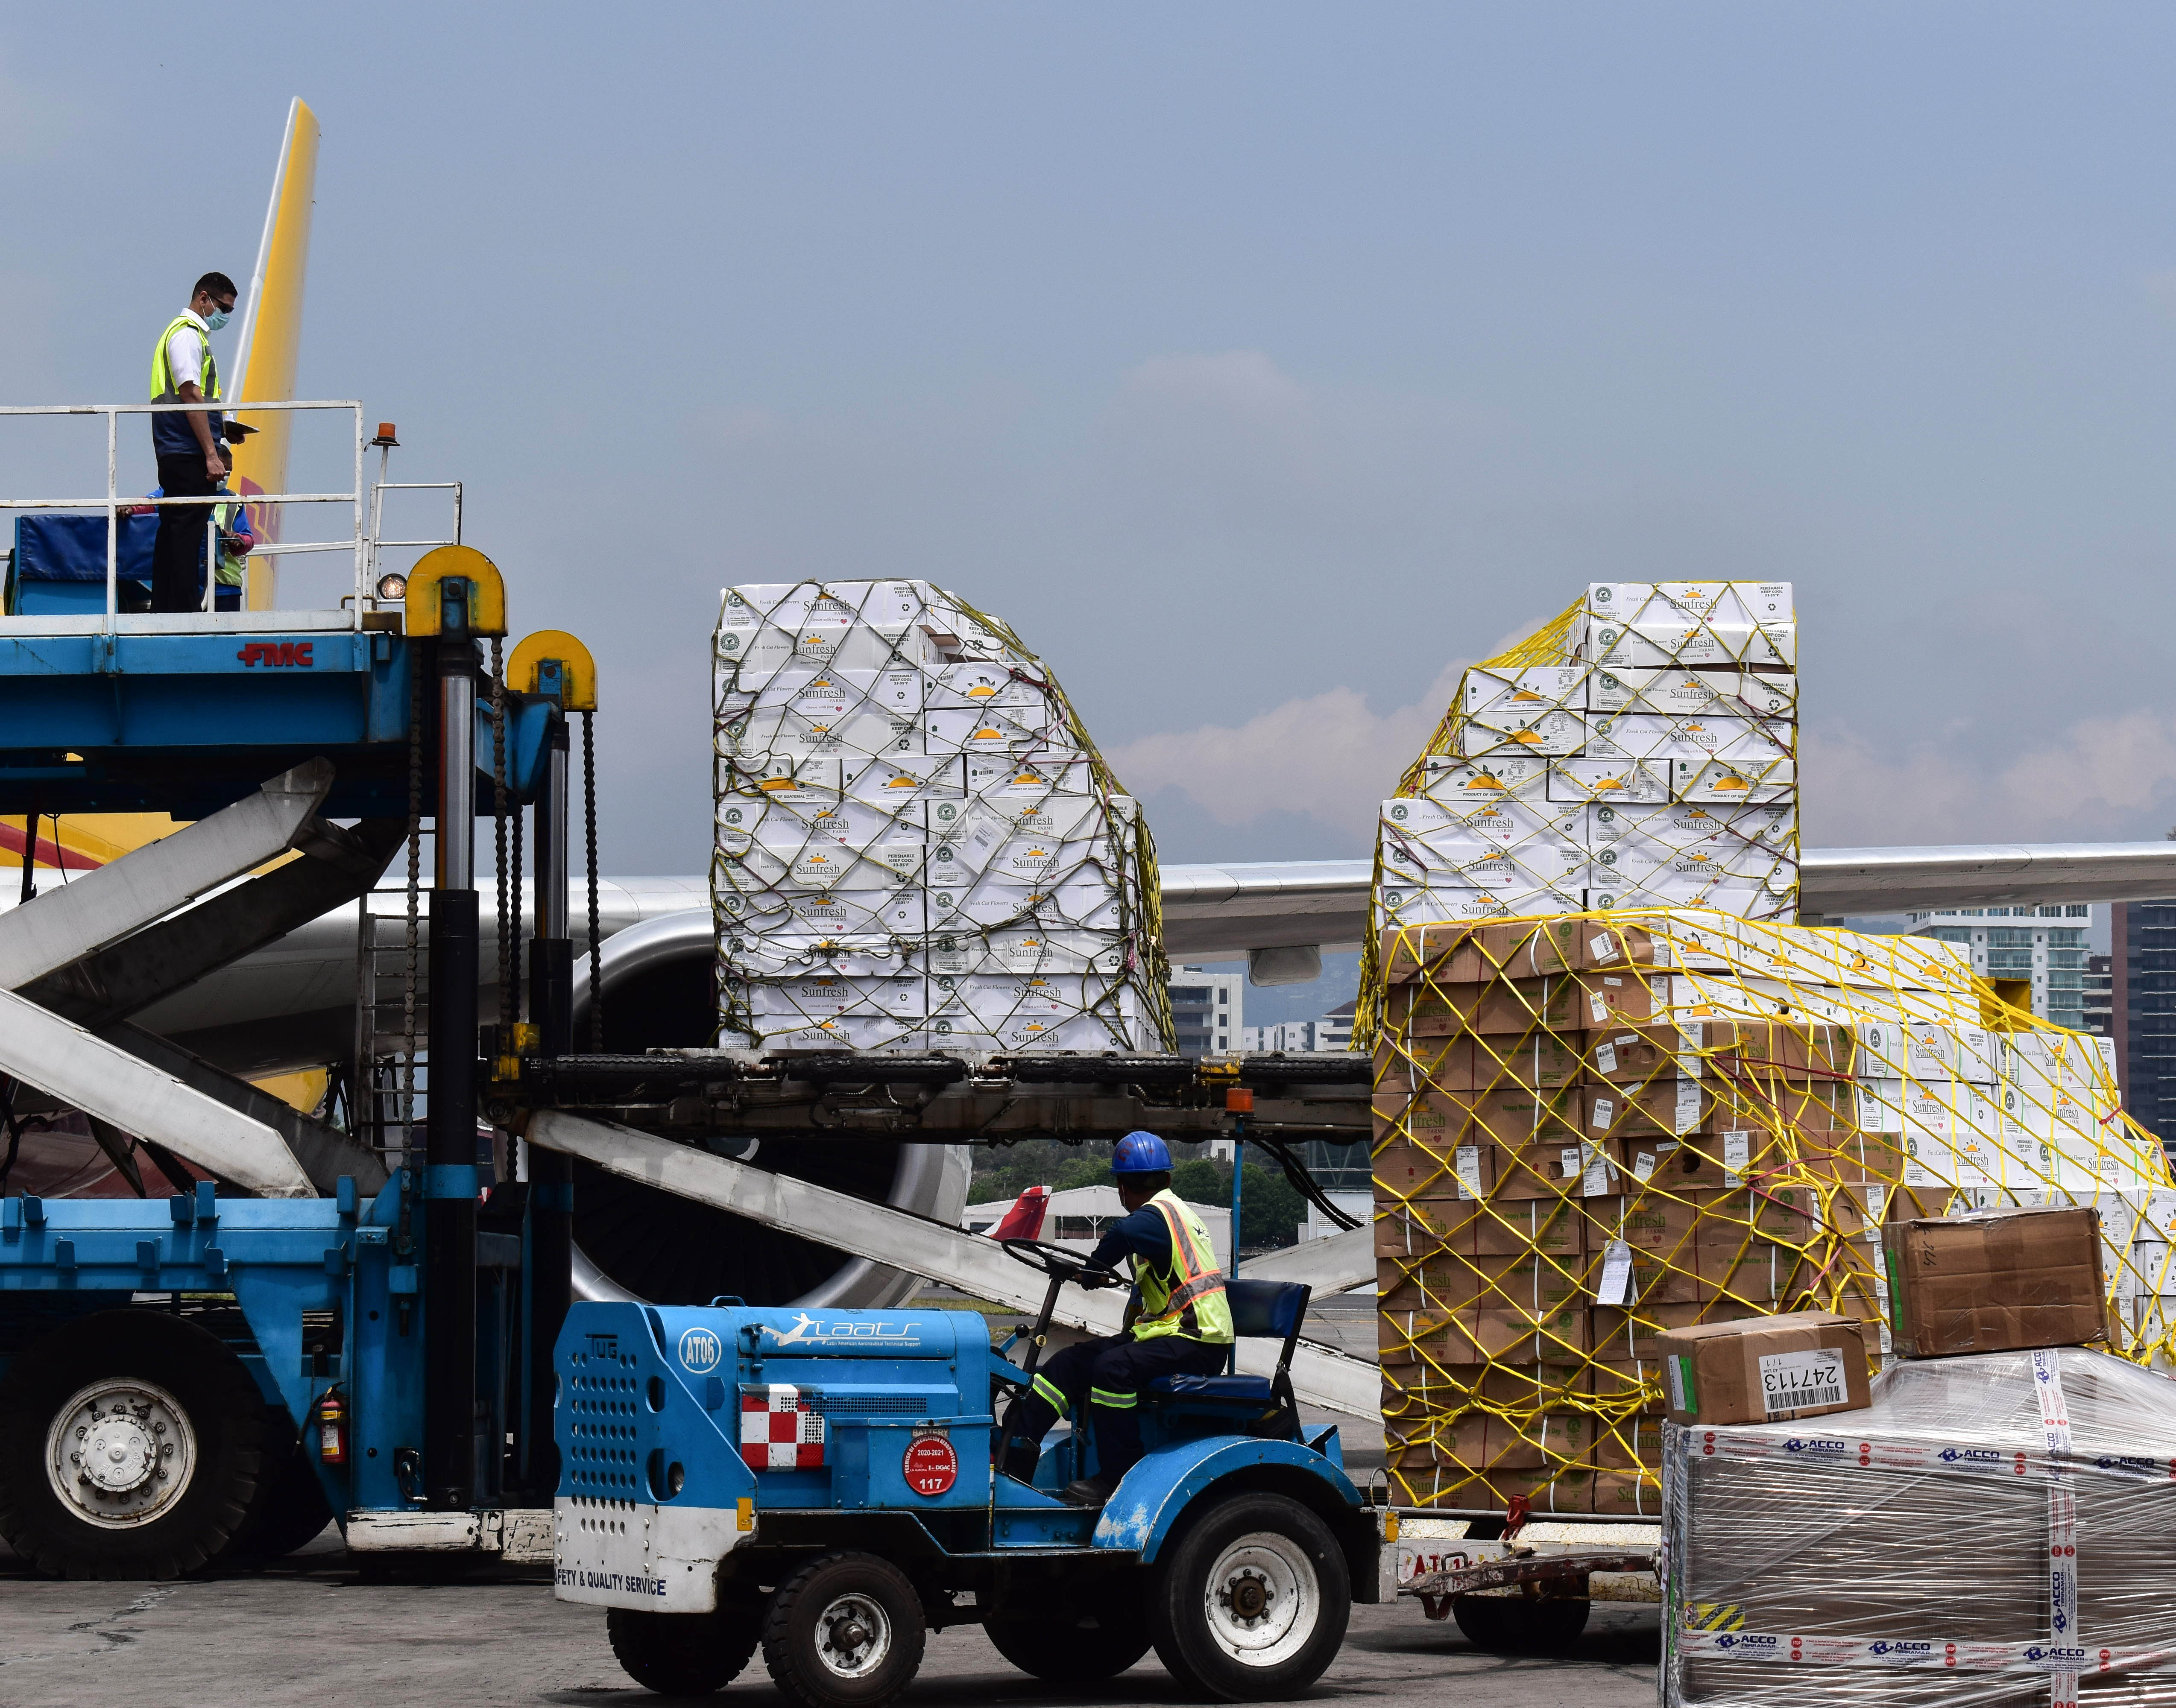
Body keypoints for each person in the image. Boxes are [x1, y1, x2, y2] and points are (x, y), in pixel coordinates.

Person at [995, 1131, 1233, 1506]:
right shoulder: (1172, 1213)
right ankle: (1016, 1451)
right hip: (1169, 1333)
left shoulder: (1148, 1219)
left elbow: (1107, 1251)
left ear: (1121, 1188)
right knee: (1069, 1363)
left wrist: (1087, 1275)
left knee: (1112, 1368)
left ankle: (1117, 1477)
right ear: (1168, 1178)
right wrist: (1095, 1273)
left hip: (1199, 1339)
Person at [148, 272, 238, 613]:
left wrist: (226, 428)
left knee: (175, 529)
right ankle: (181, 610)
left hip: (179, 446)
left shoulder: (187, 336)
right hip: (186, 449)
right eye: (223, 308)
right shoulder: (186, 336)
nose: (225, 316)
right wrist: (212, 454)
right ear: (204, 299)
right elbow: (190, 394)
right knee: (186, 533)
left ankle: (166, 608)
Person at [143, 421, 255, 611]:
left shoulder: (234, 501)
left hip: (225, 587)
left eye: (230, 471)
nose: (225, 475)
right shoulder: (179, 490)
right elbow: (147, 504)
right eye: (223, 469)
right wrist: (129, 508)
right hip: (189, 581)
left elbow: (249, 540)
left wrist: (237, 540)